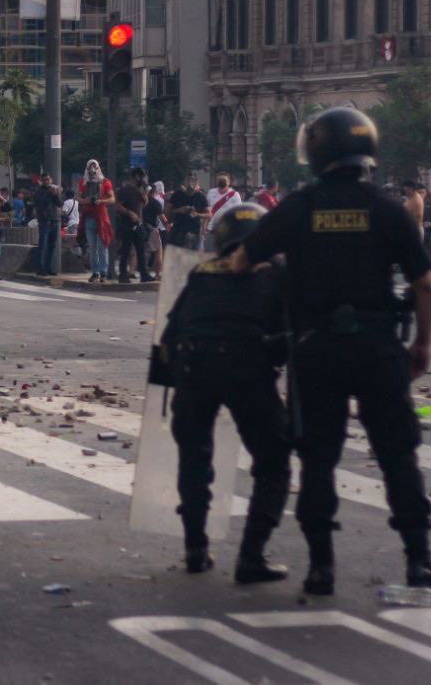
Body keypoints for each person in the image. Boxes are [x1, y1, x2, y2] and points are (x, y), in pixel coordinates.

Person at [231, 107, 431, 597]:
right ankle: (419, 563)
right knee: (398, 457)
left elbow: (243, 258)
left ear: (317, 153)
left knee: (319, 459)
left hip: (316, 350)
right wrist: (422, 346)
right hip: (378, 347)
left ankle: (321, 568)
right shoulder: (388, 209)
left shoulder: (300, 208)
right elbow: (426, 285)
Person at [161, 203, 290, 582]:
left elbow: (169, 338)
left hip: (193, 366)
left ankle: (195, 549)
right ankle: (252, 555)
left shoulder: (201, 272)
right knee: (273, 459)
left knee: (194, 456)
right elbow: (289, 339)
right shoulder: (276, 274)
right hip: (249, 367)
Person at [77, 160, 114, 282]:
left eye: (95, 167)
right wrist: (86, 200)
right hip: (89, 217)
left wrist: (101, 201)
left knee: (102, 246)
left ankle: (103, 272)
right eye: (90, 167)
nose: (92, 170)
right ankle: (95, 272)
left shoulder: (105, 182)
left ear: (98, 168)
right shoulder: (83, 182)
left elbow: (112, 198)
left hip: (101, 216)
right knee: (92, 247)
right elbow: (79, 198)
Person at [115, 167, 152, 284]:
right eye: (142, 177)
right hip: (127, 223)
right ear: (136, 177)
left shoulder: (140, 190)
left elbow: (144, 203)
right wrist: (129, 213)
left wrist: (144, 191)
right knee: (126, 249)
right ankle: (123, 274)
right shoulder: (125, 190)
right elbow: (117, 205)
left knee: (141, 249)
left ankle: (144, 274)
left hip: (139, 222)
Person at [168, 172, 210, 250]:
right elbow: (168, 213)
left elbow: (209, 214)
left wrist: (197, 214)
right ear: (185, 181)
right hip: (178, 234)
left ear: (197, 182)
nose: (190, 182)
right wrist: (179, 210)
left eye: (193, 180)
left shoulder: (200, 196)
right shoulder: (177, 194)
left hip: (195, 233)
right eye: (188, 179)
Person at [32, 174, 62, 276]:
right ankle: (40, 268)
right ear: (41, 181)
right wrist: (48, 195)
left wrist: (55, 195)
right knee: (42, 245)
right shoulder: (39, 191)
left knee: (51, 246)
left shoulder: (54, 190)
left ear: (51, 180)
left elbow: (59, 204)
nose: (47, 181)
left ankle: (48, 267)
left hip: (54, 220)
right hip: (45, 221)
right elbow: (39, 205)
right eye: (44, 180)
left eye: (48, 179)